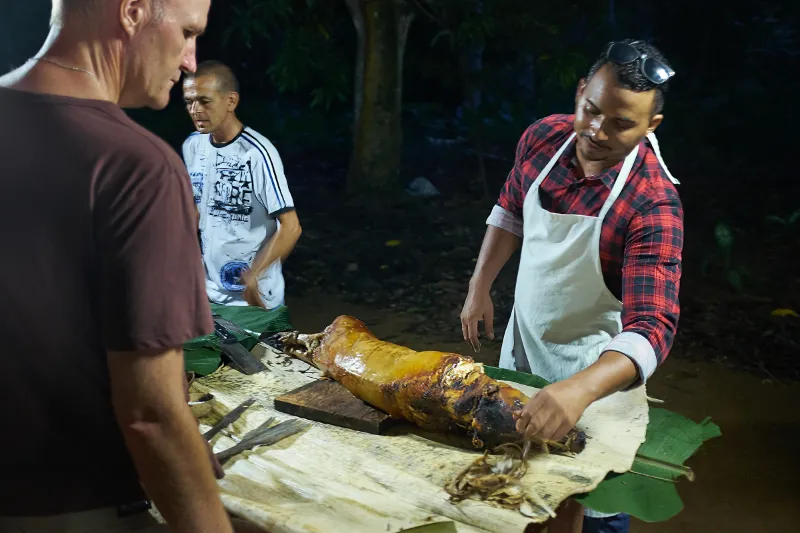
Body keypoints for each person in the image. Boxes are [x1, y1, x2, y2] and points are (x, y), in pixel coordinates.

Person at [0, 1, 236, 532]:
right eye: (188, 32)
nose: (192, 63)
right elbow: (150, 416)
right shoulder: (137, 167)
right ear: (132, 11)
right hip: (69, 510)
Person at [460, 39, 682, 533]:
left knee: (590, 503)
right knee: (515, 493)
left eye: (622, 123)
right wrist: (480, 286)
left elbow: (653, 326)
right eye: (590, 110)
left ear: (651, 126)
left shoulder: (653, 203)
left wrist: (579, 390)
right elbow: (511, 208)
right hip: (524, 346)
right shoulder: (544, 138)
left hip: (595, 377)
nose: (597, 132)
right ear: (581, 91)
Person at [182, 61, 302, 309]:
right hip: (209, 293)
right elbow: (196, 207)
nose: (195, 110)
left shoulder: (257, 153)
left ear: (231, 101)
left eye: (205, 101)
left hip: (254, 300)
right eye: (189, 101)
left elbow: (291, 227)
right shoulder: (193, 145)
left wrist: (254, 275)